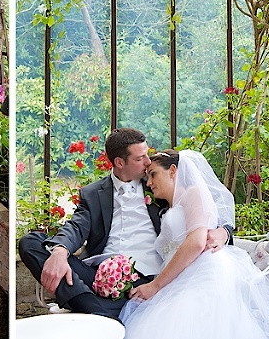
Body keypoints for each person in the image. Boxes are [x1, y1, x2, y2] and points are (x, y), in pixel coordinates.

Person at [18, 128, 232, 319]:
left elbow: (206, 209)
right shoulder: (92, 194)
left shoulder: (157, 185)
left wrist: (224, 232)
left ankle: (92, 306)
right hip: (97, 275)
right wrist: (60, 251)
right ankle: (100, 308)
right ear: (120, 163)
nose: (148, 162)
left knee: (117, 294)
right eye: (141, 158)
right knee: (30, 243)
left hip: (145, 278)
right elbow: (76, 226)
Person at [120, 149, 269, 338]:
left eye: (153, 174)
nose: (149, 182)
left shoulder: (193, 193)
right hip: (178, 276)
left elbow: (196, 241)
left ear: (172, 170)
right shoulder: (164, 207)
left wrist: (155, 286)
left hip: (202, 273)